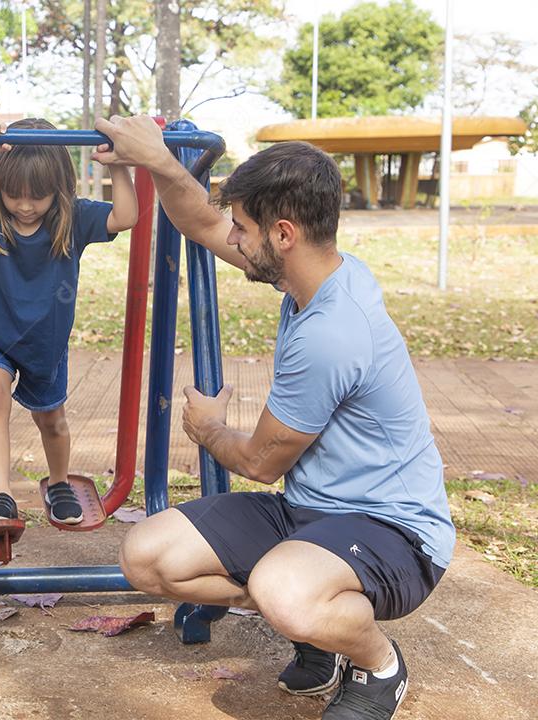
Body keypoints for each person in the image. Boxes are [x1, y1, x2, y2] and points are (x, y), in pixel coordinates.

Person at [92, 115, 455, 720]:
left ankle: (377, 664)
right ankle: (314, 624)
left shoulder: (333, 333)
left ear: (282, 233)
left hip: (395, 531)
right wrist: (158, 161)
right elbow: (202, 221)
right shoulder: (317, 275)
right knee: (148, 557)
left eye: (243, 228)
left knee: (283, 590)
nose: (230, 239)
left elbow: (260, 462)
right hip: (309, 512)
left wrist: (207, 427)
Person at [0, 118, 138, 526]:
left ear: (60, 189)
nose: (25, 205)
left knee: (51, 420)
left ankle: (57, 483)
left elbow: (125, 217)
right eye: (14, 194)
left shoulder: (72, 218)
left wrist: (118, 164)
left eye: (39, 196)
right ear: (0, 187)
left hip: (45, 341)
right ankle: (1, 497)